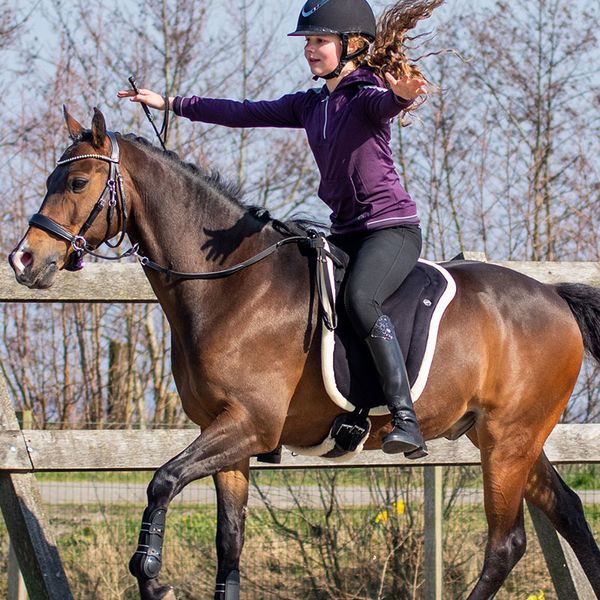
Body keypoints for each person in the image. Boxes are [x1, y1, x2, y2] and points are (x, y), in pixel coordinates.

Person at [118, 0, 444, 457]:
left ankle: (404, 416)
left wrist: (403, 96)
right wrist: (171, 103)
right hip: (345, 231)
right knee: (296, 295)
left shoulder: (366, 96)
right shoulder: (312, 106)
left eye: (319, 41)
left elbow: (388, 103)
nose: (310, 50)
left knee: (360, 299)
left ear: (351, 46)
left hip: (390, 231)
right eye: (308, 42)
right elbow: (242, 113)